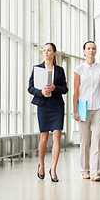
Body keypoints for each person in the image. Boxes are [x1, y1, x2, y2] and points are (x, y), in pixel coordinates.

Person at [28, 42, 68, 182]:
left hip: (56, 105)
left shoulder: (60, 70)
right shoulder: (37, 68)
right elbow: (30, 88)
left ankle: (54, 169)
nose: (46, 52)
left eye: (49, 50)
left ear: (54, 53)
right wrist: (41, 92)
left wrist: (55, 88)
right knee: (44, 137)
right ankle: (42, 165)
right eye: (44, 50)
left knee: (56, 135)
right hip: (43, 105)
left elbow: (65, 89)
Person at [73, 41, 100, 182]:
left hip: (98, 108)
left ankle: (95, 172)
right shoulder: (79, 69)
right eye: (88, 48)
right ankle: (85, 170)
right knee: (84, 140)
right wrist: (75, 110)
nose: (91, 51)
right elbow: (76, 91)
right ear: (84, 51)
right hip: (82, 107)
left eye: (93, 48)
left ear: (96, 51)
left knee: (96, 140)